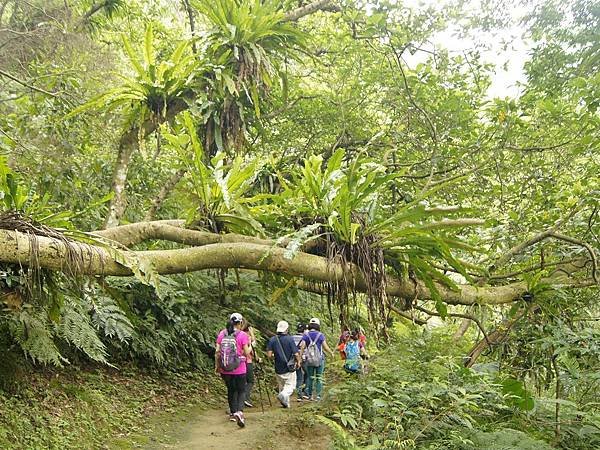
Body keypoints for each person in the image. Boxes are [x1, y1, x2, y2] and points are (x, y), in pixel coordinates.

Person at [215, 312, 251, 428]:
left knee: (231, 390)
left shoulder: (222, 333)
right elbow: (246, 352)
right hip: (240, 368)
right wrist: (251, 345)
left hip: (225, 368)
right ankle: (239, 412)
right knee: (241, 390)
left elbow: (217, 352)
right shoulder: (242, 335)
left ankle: (232, 413)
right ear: (240, 323)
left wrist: (217, 366)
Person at [266, 320, 301, 408]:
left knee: (282, 386)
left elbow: (269, 355)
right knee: (290, 385)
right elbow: (296, 354)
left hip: (278, 367)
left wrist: (276, 354)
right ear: (286, 329)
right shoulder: (289, 339)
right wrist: (299, 362)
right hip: (289, 367)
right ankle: (283, 396)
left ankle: (286, 403)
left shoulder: (273, 339)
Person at [299, 317, 334, 401]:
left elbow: (302, 347)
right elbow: (325, 347)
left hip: (309, 360)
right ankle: (318, 396)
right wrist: (331, 353)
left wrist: (300, 358)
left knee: (310, 378)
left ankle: (310, 395)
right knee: (319, 377)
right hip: (319, 360)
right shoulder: (320, 335)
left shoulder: (306, 335)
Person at [242, 319, 257, 408]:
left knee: (243, 381)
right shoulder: (247, 336)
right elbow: (253, 345)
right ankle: (245, 398)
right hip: (247, 361)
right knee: (250, 381)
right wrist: (252, 333)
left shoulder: (237, 335)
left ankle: (243, 398)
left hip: (239, 362)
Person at [292, 322, 309, 401]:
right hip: (304, 358)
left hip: (296, 359)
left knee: (299, 377)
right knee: (308, 374)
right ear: (304, 330)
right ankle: (305, 391)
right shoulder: (306, 338)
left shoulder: (292, 337)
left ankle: (299, 395)